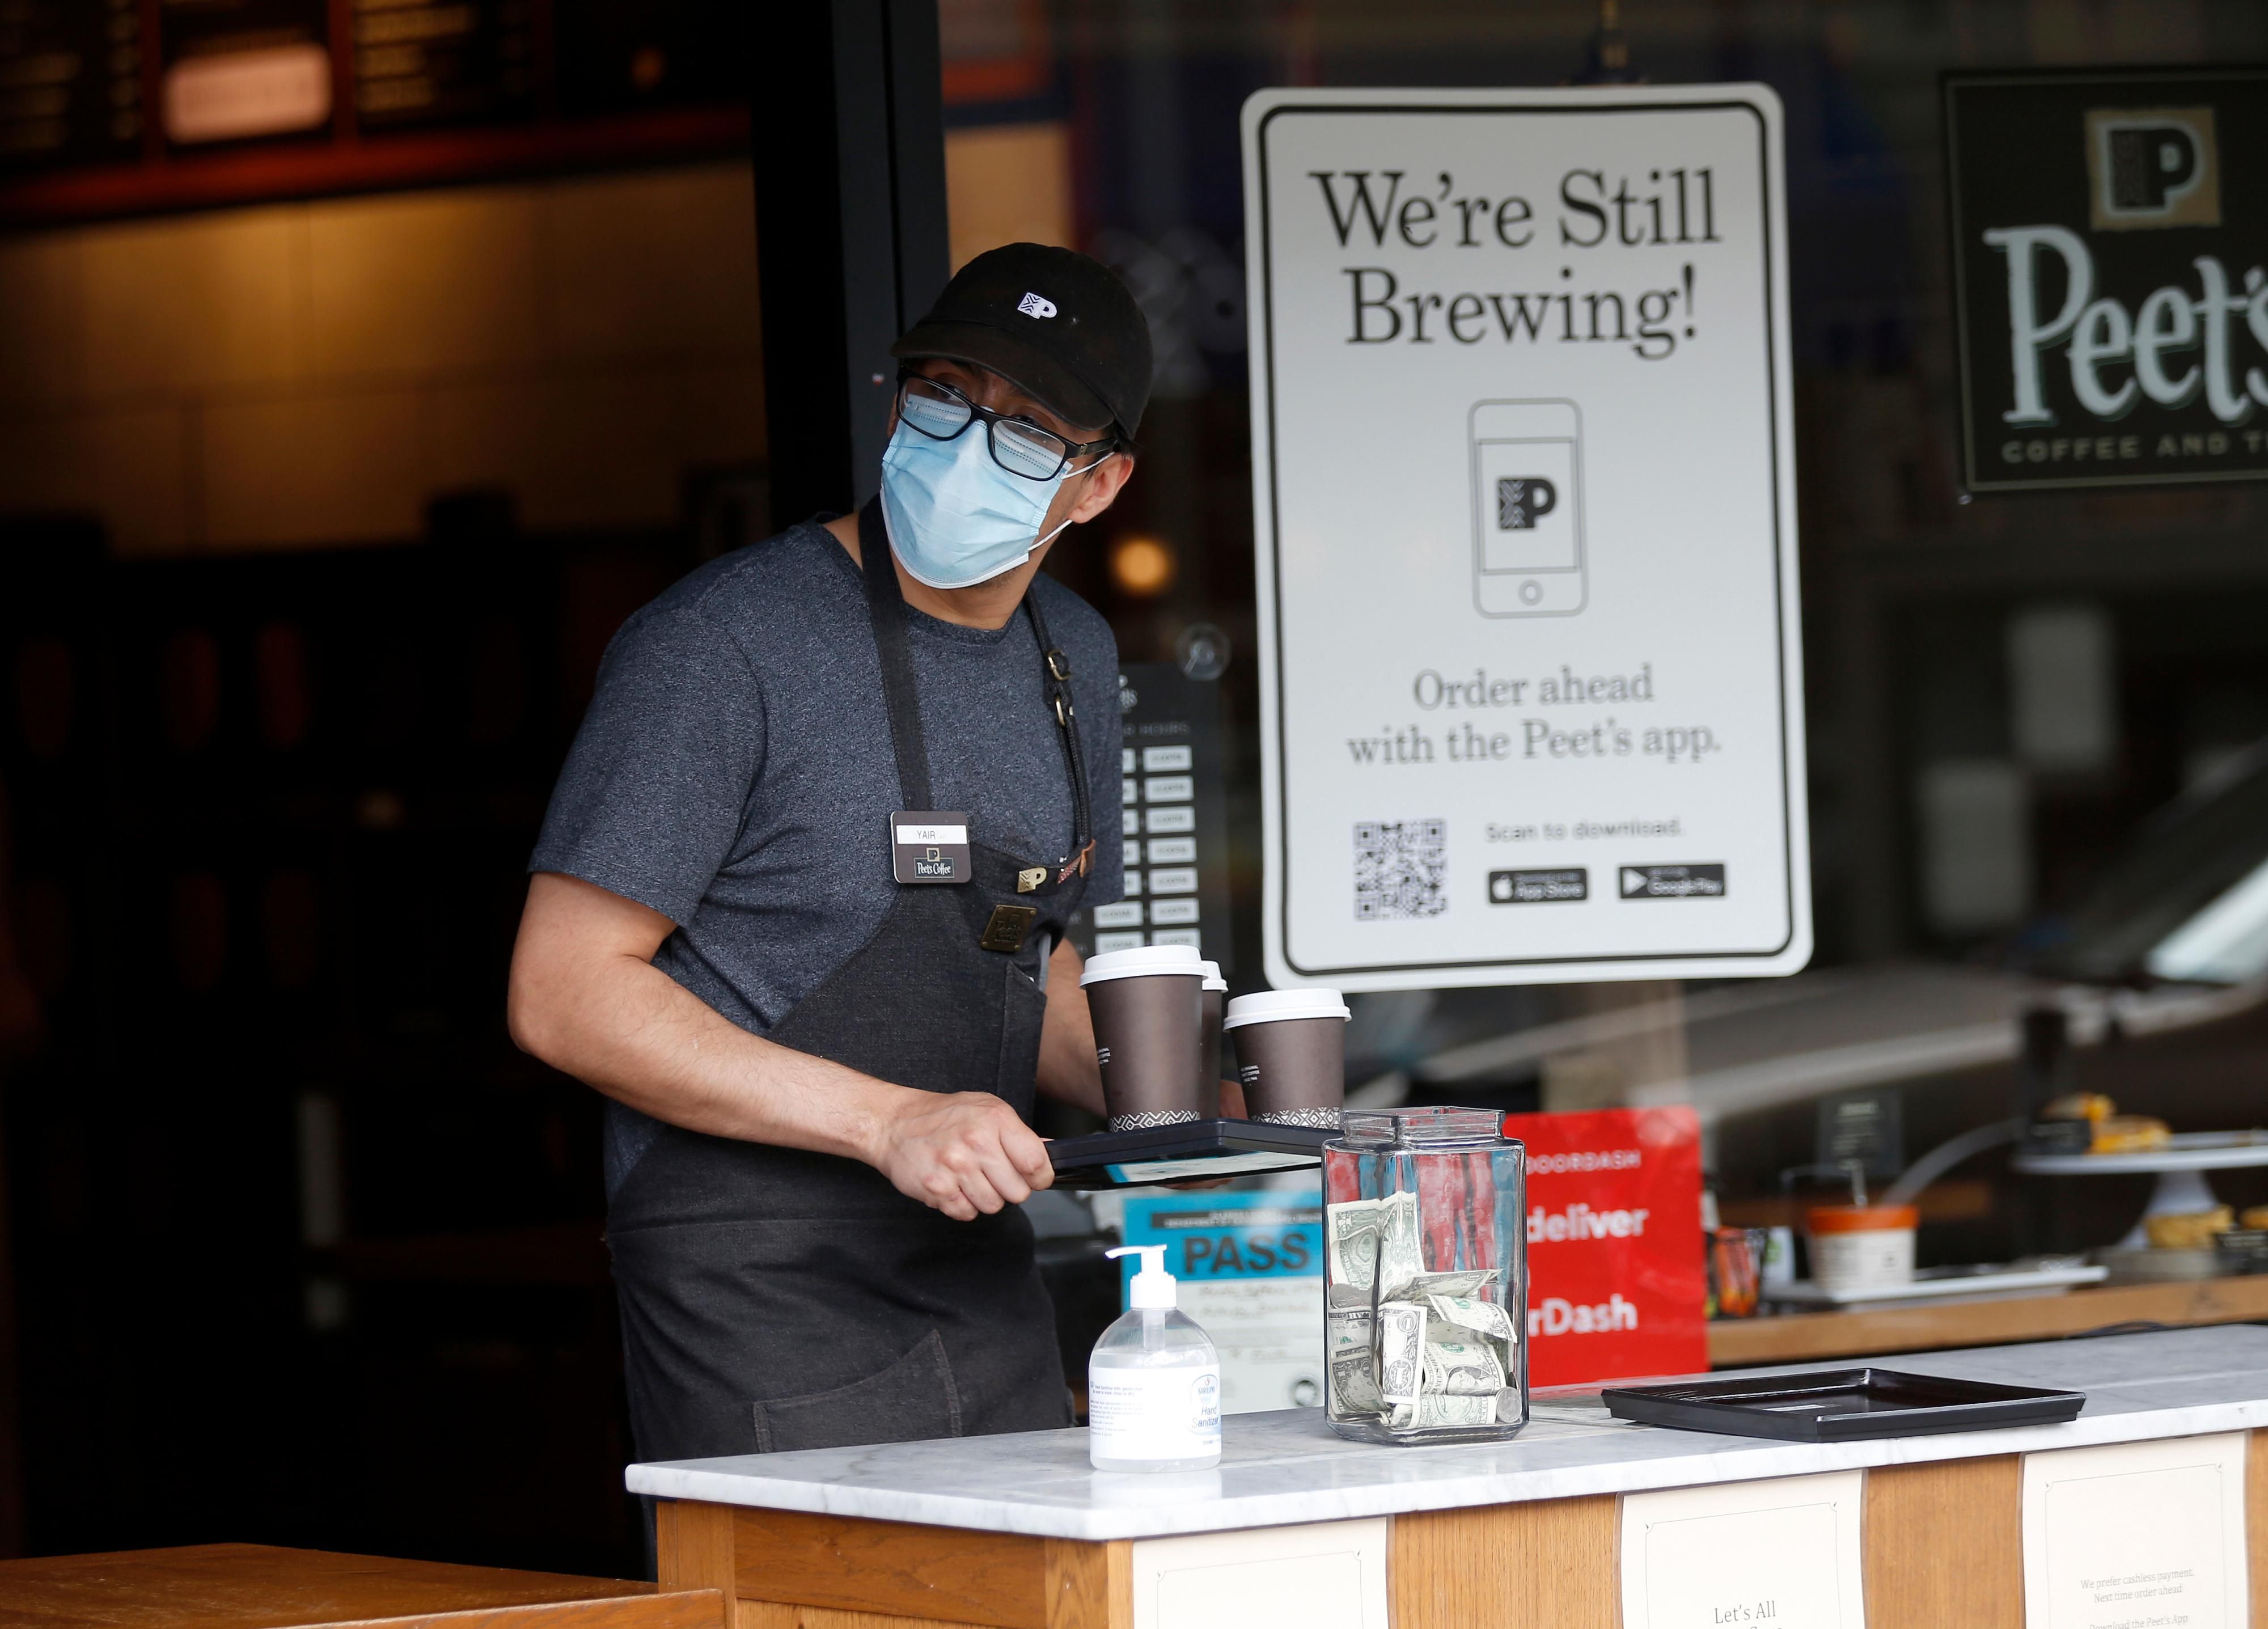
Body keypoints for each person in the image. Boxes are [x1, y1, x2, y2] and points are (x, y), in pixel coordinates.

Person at [507, 244, 1150, 1459]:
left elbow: (1023, 960)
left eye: (1025, 430)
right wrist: (887, 1124)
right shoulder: (721, 645)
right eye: (944, 395)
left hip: (978, 1278)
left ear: (1100, 484)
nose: (967, 444)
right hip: (753, 1290)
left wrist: (1202, 1094)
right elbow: (562, 992)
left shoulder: (1073, 657)